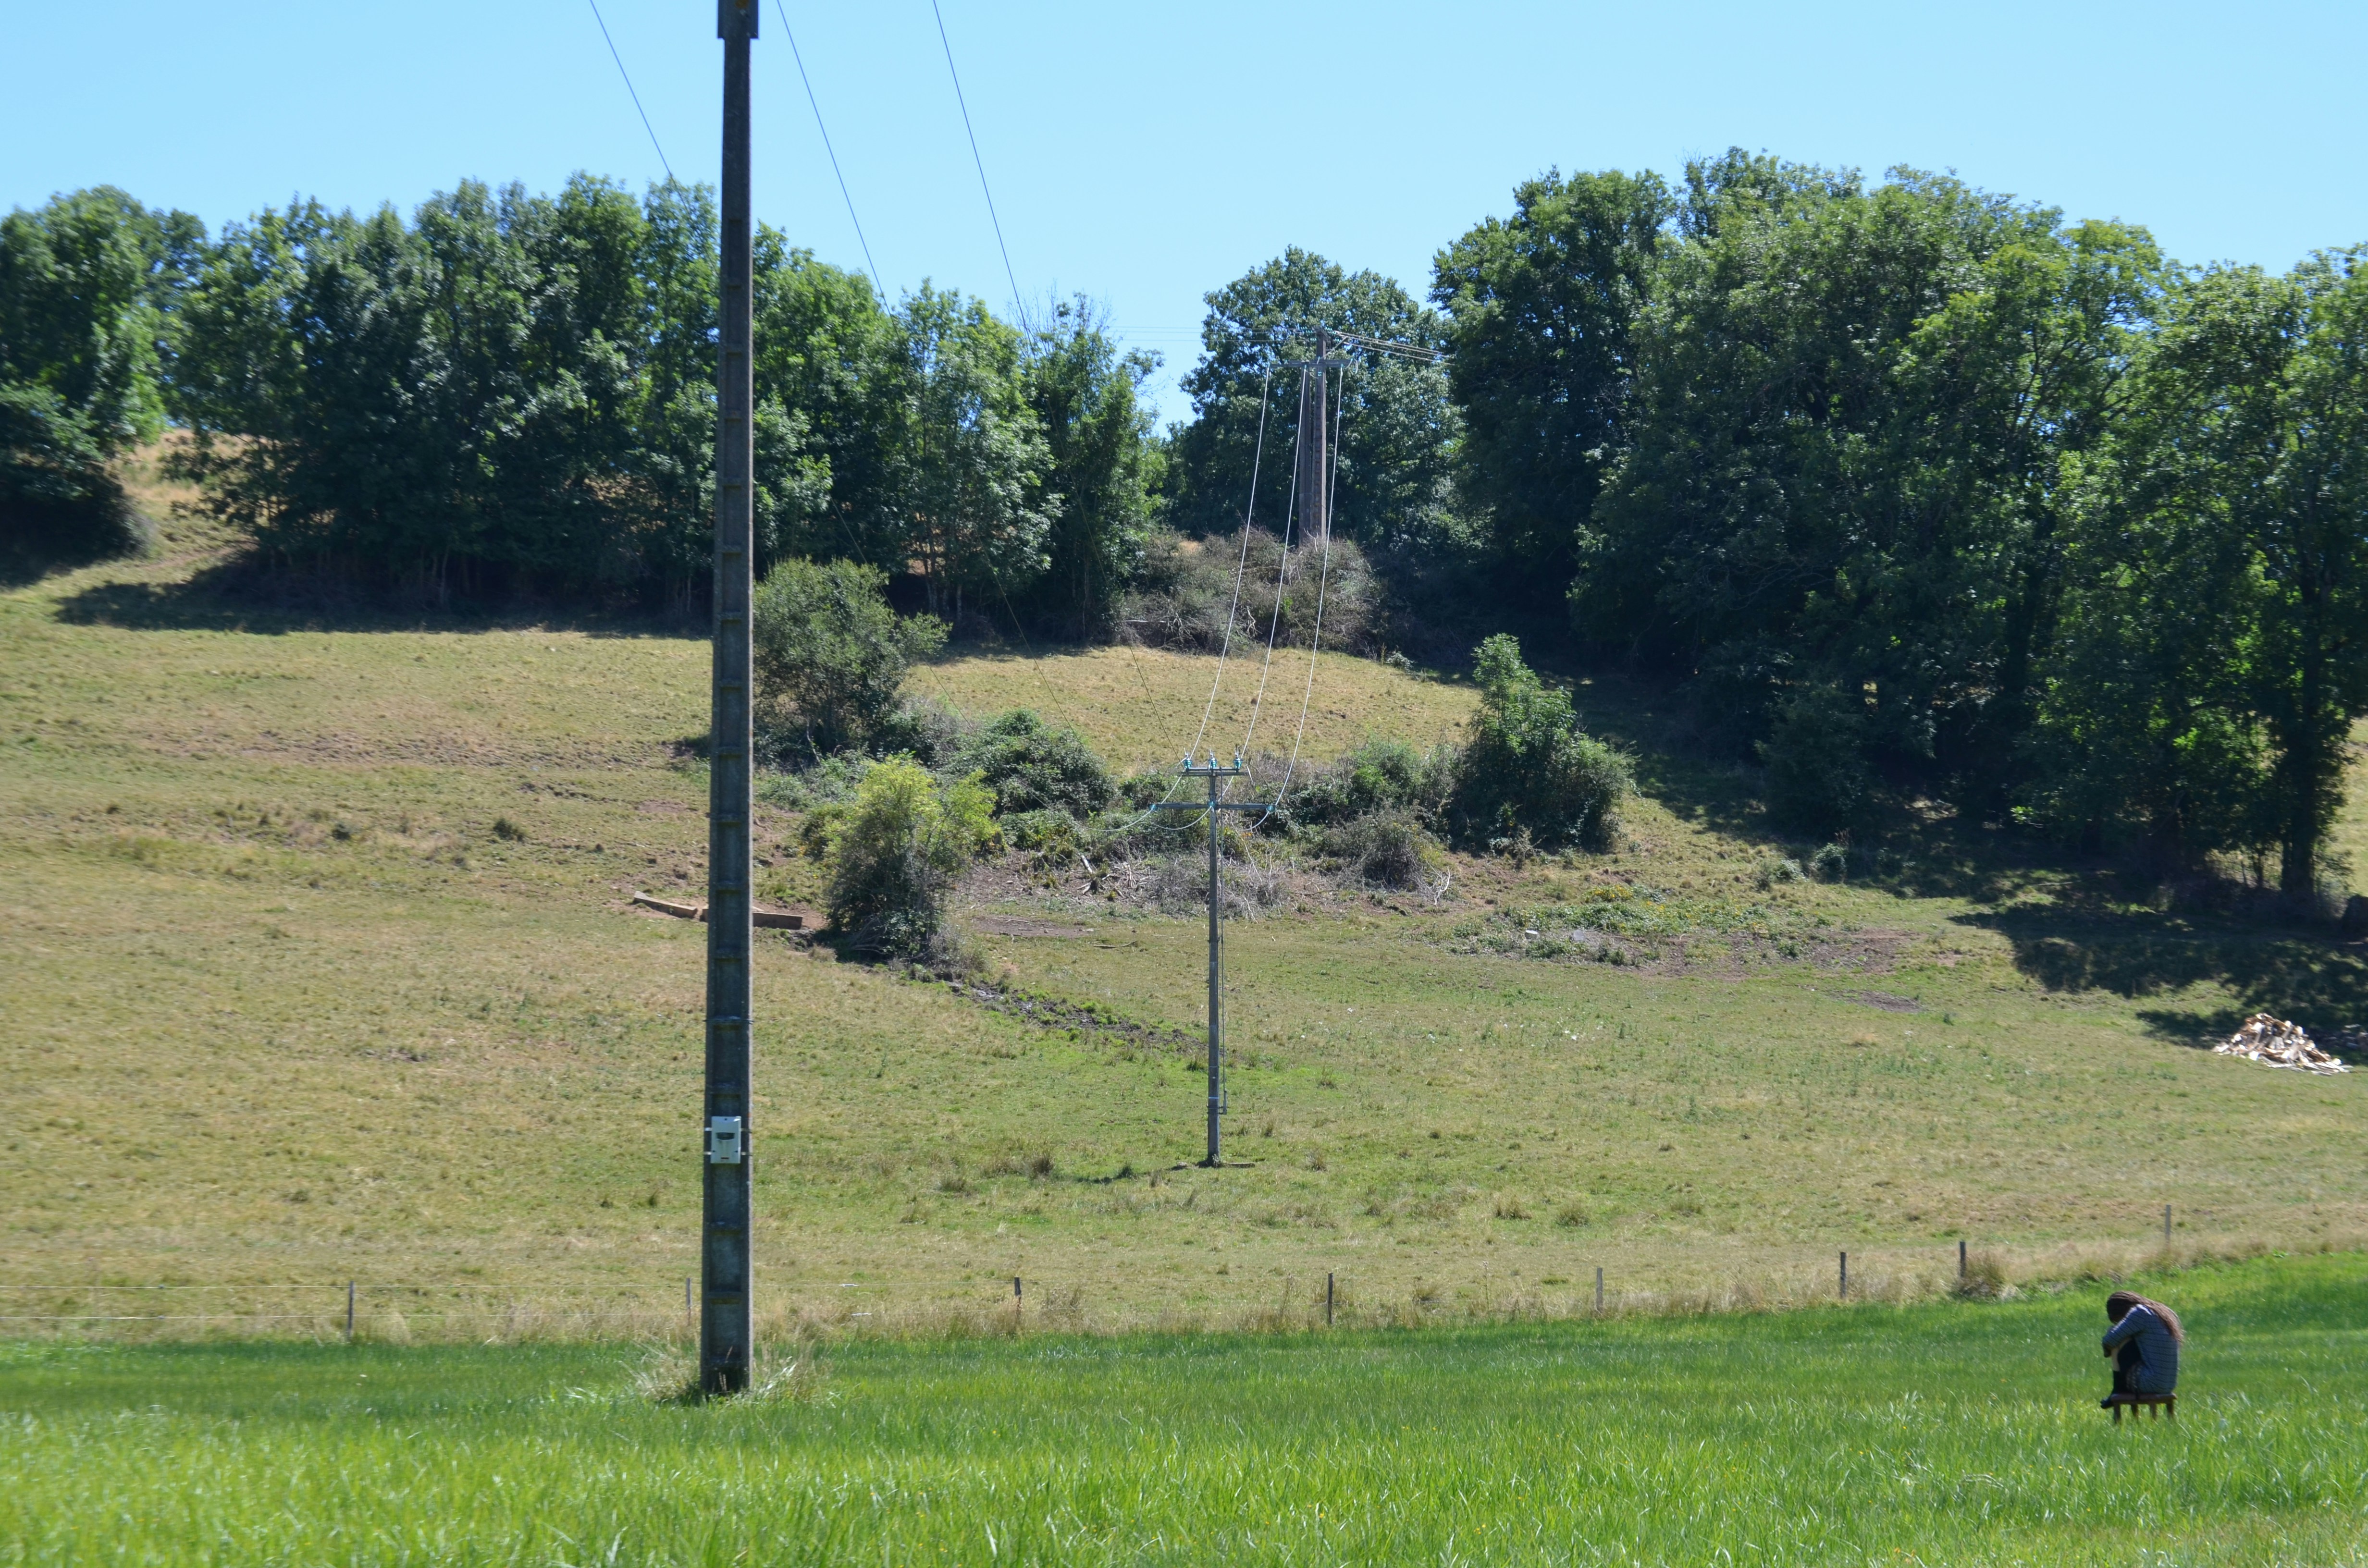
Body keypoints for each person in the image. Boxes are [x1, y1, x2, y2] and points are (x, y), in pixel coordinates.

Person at [2101, 1289, 2182, 1406]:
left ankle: (2117, 1389)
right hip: (2169, 1385)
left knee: (2113, 1333)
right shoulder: (2163, 1312)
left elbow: (2109, 1340)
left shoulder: (2140, 1313)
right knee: (2123, 1335)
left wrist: (2107, 1351)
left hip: (2149, 1383)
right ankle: (2117, 1389)